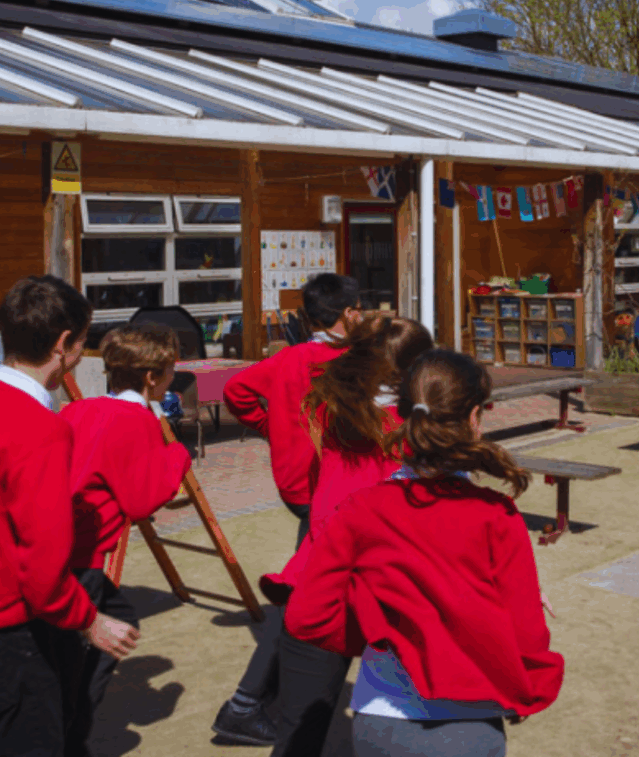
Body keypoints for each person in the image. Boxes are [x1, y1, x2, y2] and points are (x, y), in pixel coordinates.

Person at [285, 349, 565, 757]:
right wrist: (532, 688)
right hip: (469, 721)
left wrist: (378, 630)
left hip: (379, 719)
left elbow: (307, 615)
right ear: (474, 418)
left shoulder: (361, 508)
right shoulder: (495, 514)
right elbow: (526, 629)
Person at [0, 276, 139, 757]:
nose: (81, 355)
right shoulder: (41, 429)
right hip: (9, 629)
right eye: (81, 344)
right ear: (63, 345)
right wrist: (89, 620)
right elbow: (42, 565)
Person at [261, 316, 433, 757]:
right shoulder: (418, 429)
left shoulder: (330, 407)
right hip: (393, 586)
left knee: (299, 729)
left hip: (322, 576)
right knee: (412, 722)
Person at [211, 273, 362, 747]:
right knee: (305, 592)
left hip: (296, 483)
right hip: (325, 488)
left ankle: (258, 697)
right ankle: (244, 703)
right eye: (359, 309)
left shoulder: (290, 358)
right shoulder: (347, 361)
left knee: (310, 581)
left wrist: (272, 427)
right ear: (349, 314)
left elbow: (236, 390)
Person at [58, 323, 192, 757]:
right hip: (85, 553)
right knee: (80, 649)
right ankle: (70, 734)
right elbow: (142, 499)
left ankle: (67, 725)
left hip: (56, 540)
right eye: (170, 371)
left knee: (115, 619)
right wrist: (177, 453)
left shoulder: (79, 409)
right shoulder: (137, 420)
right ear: (153, 378)